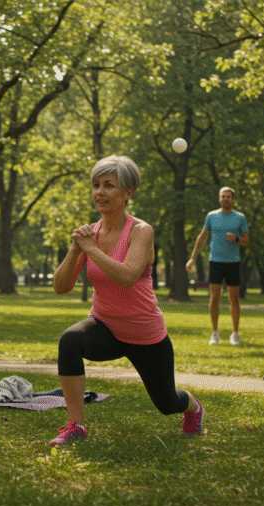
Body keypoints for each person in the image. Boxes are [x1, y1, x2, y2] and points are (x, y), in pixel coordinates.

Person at [50, 155, 205, 446]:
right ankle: (76, 426)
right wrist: (75, 249)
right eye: (96, 185)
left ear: (128, 193)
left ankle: (194, 408)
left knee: (167, 402)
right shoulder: (90, 234)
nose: (99, 192)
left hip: (144, 333)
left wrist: (91, 250)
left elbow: (127, 276)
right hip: (105, 327)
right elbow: (61, 287)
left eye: (109, 185)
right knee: (69, 341)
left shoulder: (141, 231)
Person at [186, 187, 250, 345]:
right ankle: (215, 333)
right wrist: (192, 258)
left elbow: (246, 241)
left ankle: (235, 334)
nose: (226, 199)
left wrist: (236, 238)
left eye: (228, 197)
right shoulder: (211, 216)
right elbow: (202, 238)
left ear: (232, 199)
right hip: (215, 261)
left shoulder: (240, 218)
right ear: (219, 198)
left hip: (233, 262)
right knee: (214, 298)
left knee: (233, 299)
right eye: (223, 196)